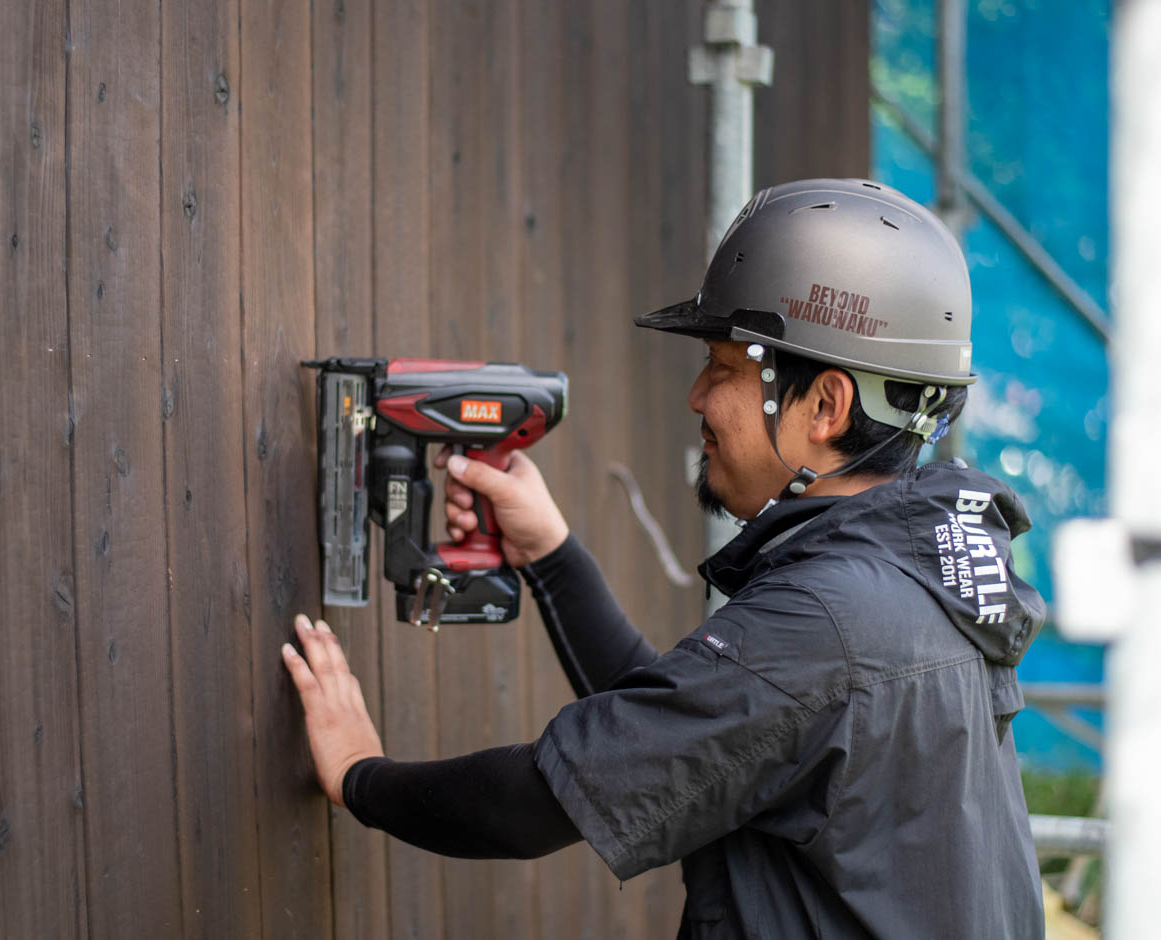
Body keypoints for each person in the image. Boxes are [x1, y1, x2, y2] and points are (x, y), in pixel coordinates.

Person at [281, 178, 1046, 939]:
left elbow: (540, 804)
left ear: (826, 406)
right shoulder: (925, 584)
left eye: (723, 368)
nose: (696, 397)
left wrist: (361, 777)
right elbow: (687, 747)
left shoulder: (832, 622)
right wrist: (549, 553)